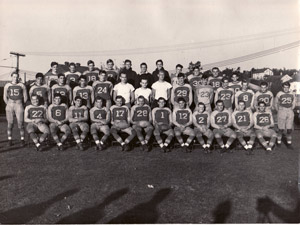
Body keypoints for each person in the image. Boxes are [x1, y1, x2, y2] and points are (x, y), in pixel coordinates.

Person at [3, 72, 28, 146]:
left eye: (16, 77)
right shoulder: (7, 85)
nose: (15, 78)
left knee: (20, 123)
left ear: (18, 77)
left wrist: (22, 104)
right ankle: (9, 139)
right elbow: (5, 96)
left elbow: (25, 96)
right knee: (10, 123)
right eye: (14, 77)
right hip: (10, 104)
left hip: (18, 104)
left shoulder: (21, 85)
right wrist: (8, 103)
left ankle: (22, 139)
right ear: (11, 77)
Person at [274, 82, 295, 148]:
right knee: (281, 128)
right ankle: (279, 142)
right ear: (282, 87)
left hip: (289, 110)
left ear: (289, 87)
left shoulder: (292, 94)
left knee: (289, 129)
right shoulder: (279, 94)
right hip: (282, 110)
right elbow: (275, 103)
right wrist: (279, 110)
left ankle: (289, 143)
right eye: (284, 87)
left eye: (287, 87)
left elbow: (293, 102)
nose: (286, 89)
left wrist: (291, 109)